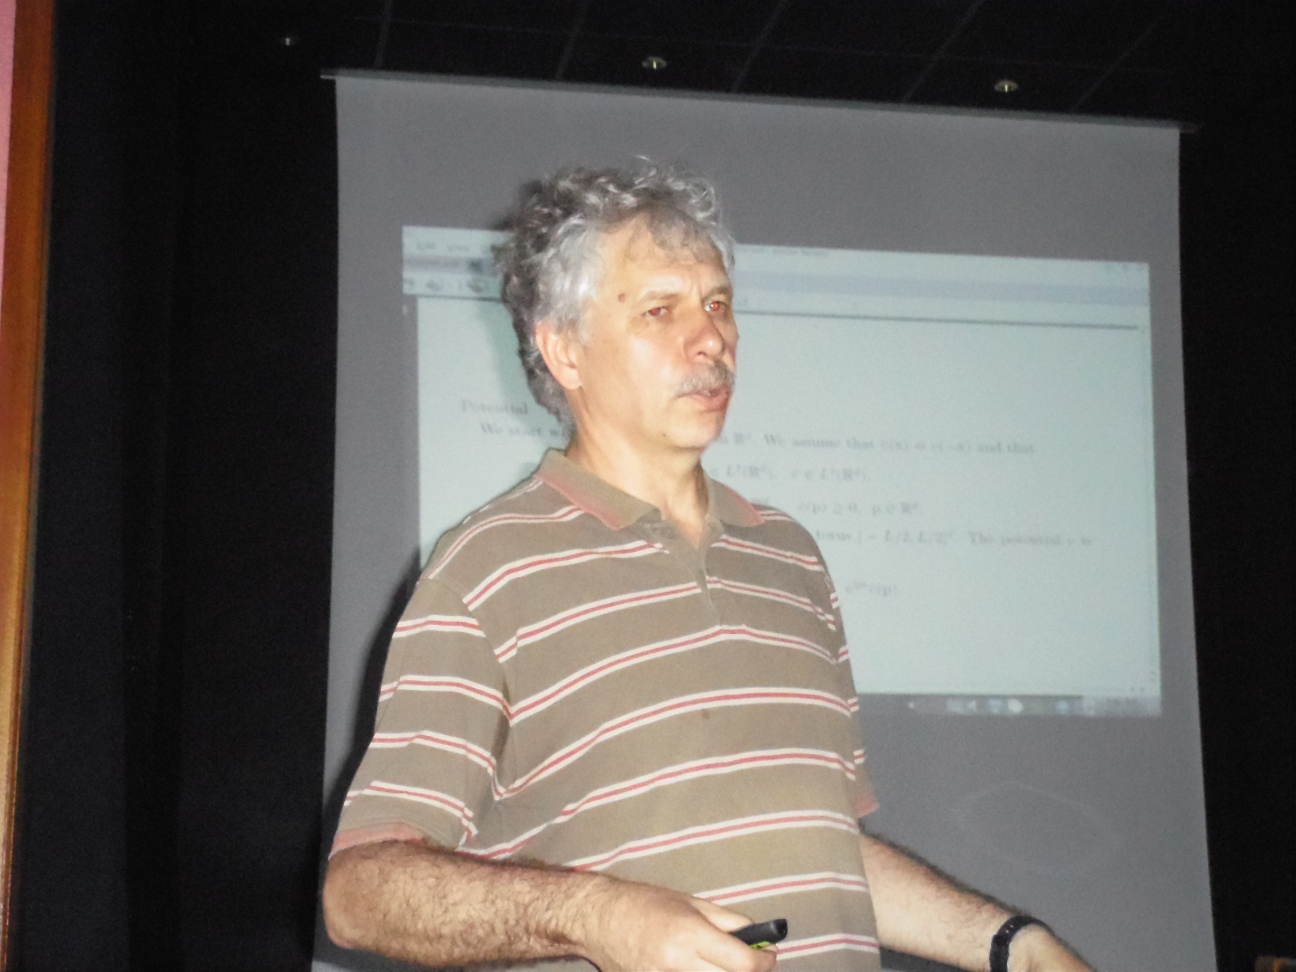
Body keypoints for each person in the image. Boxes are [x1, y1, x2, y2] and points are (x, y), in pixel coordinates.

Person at [322, 162, 1091, 972]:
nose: (711, 338)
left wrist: (1010, 943)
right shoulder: (486, 570)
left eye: (718, 303)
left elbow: (825, 853)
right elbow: (360, 892)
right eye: (661, 310)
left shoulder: (789, 555)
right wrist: (597, 917)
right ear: (565, 350)